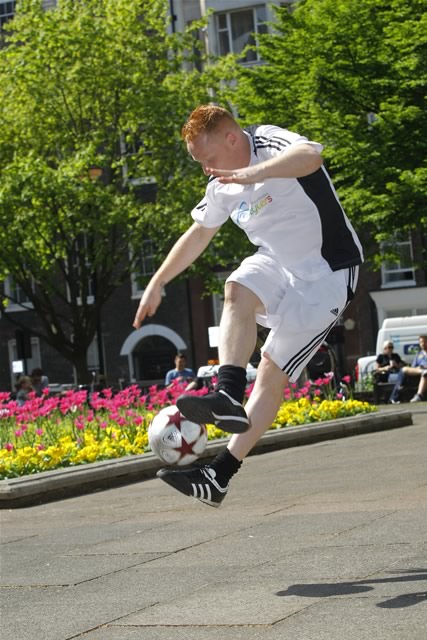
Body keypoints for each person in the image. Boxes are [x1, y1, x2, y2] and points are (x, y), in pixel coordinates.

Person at [133, 105, 363, 507]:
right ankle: (227, 394)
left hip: (328, 272)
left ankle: (218, 475)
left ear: (232, 139)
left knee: (273, 369)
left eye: (208, 159)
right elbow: (198, 234)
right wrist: (158, 281)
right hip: (277, 261)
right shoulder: (220, 186)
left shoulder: (268, 142)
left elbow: (311, 156)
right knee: (236, 288)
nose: (206, 169)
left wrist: (258, 172)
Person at [389, 335, 427, 404]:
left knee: (425, 373)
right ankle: (397, 392)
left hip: (425, 373)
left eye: (425, 342)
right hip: (419, 371)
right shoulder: (419, 354)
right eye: (421, 342)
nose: (423, 344)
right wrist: (419, 368)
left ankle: (419, 395)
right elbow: (413, 367)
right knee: (404, 369)